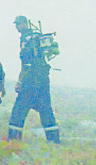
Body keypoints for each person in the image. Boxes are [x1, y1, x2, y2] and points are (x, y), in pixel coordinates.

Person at [7, 15, 60, 143]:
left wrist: (20, 82)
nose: (17, 27)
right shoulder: (37, 38)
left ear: (25, 24)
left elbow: (26, 64)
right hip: (43, 81)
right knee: (46, 112)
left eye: (19, 24)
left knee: (18, 113)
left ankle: (14, 141)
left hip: (29, 82)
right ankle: (54, 142)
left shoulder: (27, 40)